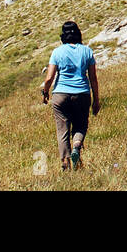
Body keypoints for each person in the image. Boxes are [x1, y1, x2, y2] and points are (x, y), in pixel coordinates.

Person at [40, 20, 100, 170]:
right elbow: (93, 78)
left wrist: (45, 92)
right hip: (82, 94)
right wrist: (96, 100)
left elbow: (49, 78)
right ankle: (77, 146)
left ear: (63, 36)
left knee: (62, 130)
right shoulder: (87, 51)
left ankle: (65, 165)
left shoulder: (57, 52)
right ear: (78, 34)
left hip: (60, 94)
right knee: (80, 126)